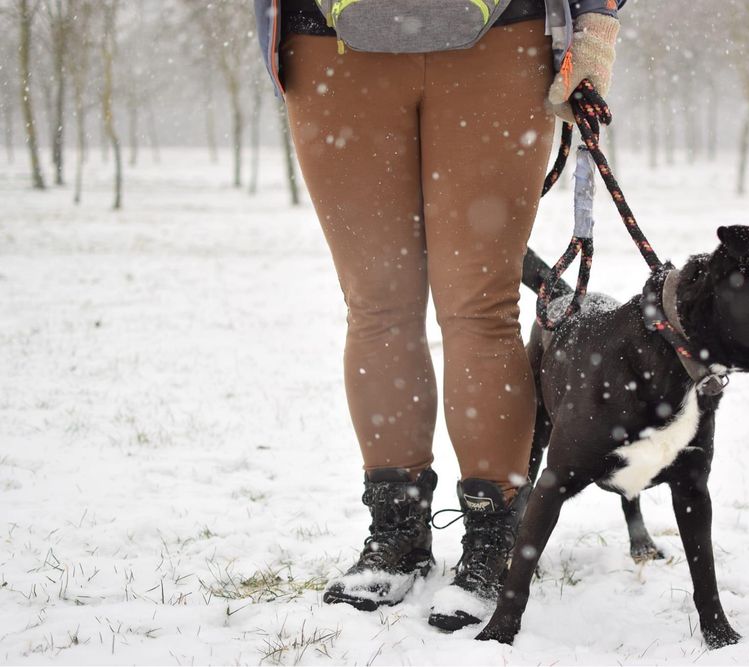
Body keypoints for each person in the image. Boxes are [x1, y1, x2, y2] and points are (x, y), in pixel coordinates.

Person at [253, 0, 622, 631]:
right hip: (340, 41)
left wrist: (595, 22)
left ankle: (490, 539)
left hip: (491, 34)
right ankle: (398, 532)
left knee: (471, 307)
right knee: (385, 307)